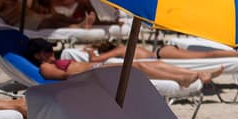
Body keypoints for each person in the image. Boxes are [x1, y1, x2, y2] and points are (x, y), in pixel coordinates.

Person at [26, 38, 221, 85]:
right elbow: (66, 76)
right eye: (47, 50)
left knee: (151, 64)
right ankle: (183, 78)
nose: (52, 52)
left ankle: (193, 75)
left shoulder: (51, 62)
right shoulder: (44, 67)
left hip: (97, 67)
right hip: (95, 71)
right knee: (137, 65)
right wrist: (93, 70)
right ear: (37, 56)